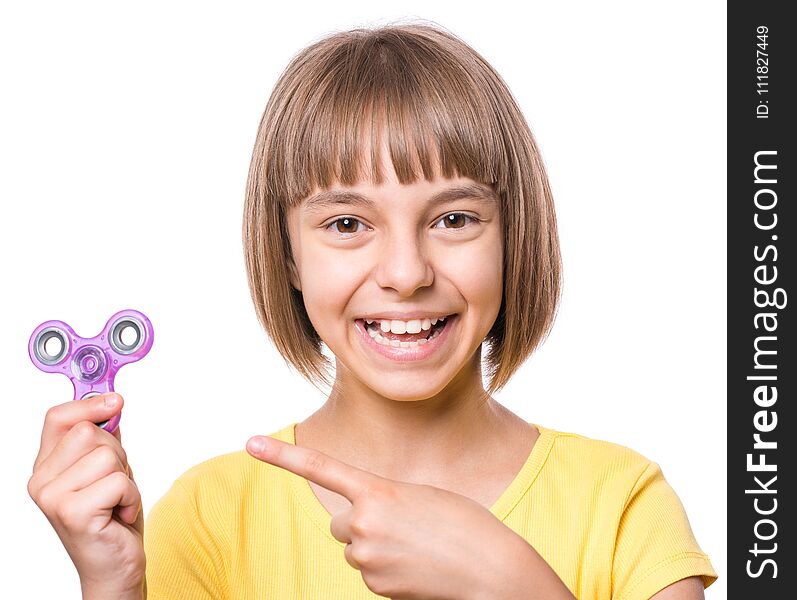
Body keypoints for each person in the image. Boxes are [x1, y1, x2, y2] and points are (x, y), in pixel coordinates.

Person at [27, 21, 718, 599]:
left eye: (452, 218)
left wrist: (512, 583)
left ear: (514, 235)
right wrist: (113, 587)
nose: (405, 273)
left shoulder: (623, 504)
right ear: (288, 255)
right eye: (348, 225)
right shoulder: (210, 518)